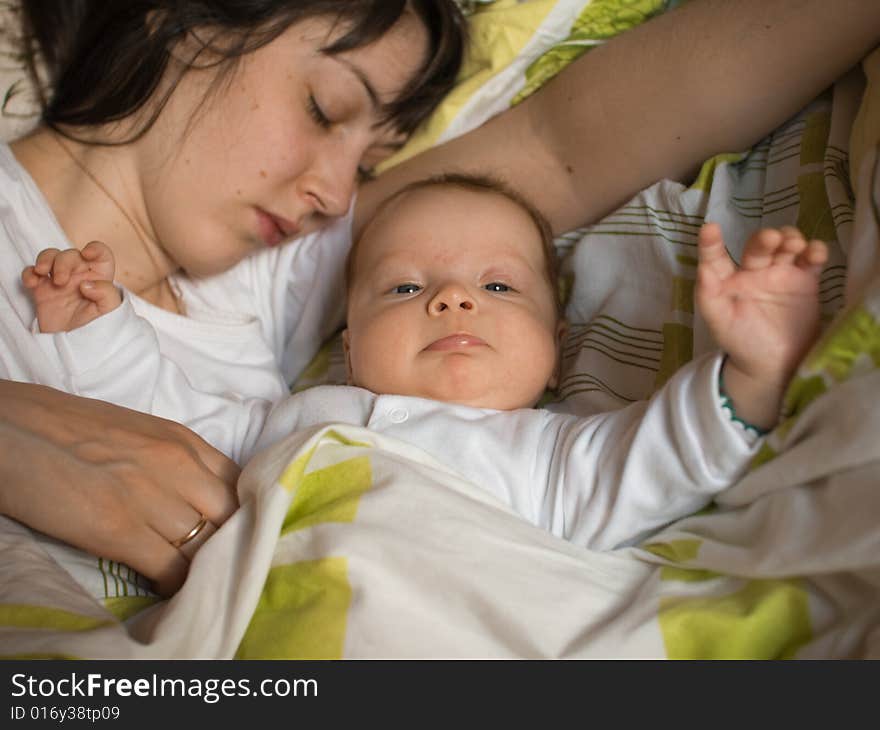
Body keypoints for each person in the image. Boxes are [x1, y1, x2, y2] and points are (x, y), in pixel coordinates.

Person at [2, 1, 879, 596]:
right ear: (175, 20)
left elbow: (556, 147)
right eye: (323, 106)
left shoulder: (291, 257)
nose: (340, 194)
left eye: (371, 163)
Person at [25, 172, 828, 547]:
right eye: (406, 285)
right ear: (348, 348)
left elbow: (667, 453)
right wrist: (98, 326)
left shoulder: (554, 455)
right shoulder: (291, 420)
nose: (452, 299)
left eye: (499, 285)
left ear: (555, 356)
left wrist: (752, 367)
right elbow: (164, 418)